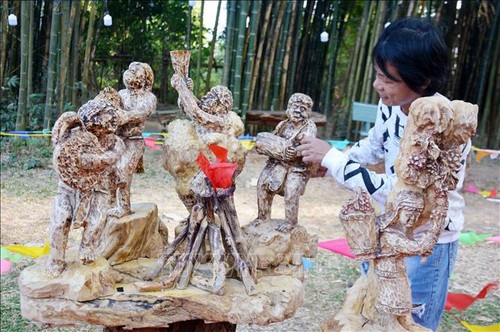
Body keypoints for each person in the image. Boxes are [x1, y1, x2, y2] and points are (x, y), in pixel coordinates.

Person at [297, 17, 470, 331]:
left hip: (424, 244)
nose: (379, 85)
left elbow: (401, 191)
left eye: (388, 79)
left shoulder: (443, 126)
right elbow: (376, 143)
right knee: (373, 317)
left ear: (423, 80)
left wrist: (335, 161)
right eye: (377, 74)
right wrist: (337, 160)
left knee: (409, 324)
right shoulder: (392, 104)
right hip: (387, 232)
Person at [255, 93, 317, 227]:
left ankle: (290, 222)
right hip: (278, 162)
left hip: (298, 168)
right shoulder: (283, 124)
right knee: (262, 184)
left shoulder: (309, 126)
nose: (298, 111)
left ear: (308, 112)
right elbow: (273, 139)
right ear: (289, 107)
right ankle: (262, 216)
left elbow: (308, 146)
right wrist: (267, 145)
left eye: (303, 108)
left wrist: (296, 152)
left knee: (291, 189)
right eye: (295, 106)